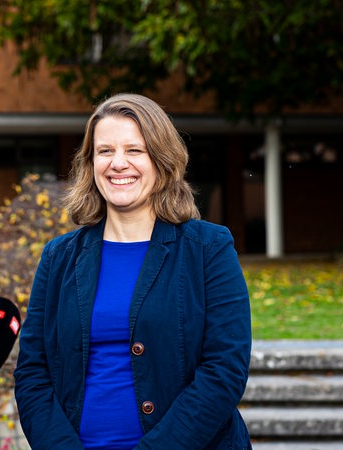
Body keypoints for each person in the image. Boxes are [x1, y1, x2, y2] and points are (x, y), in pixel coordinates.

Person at [14, 93, 252, 449]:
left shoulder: (208, 248)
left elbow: (224, 369)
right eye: (105, 151)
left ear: (162, 160)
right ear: (91, 162)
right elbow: (32, 373)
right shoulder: (59, 257)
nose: (118, 163)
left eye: (134, 150)